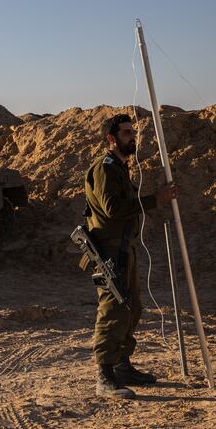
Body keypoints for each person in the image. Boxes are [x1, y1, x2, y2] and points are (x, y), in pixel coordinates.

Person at [84, 114, 177, 399]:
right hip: (110, 250)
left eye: (132, 132)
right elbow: (112, 208)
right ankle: (104, 376)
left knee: (132, 307)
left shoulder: (121, 168)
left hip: (124, 247)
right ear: (111, 139)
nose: (132, 137)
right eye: (126, 133)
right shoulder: (105, 167)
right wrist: (154, 199)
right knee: (113, 309)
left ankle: (122, 365)